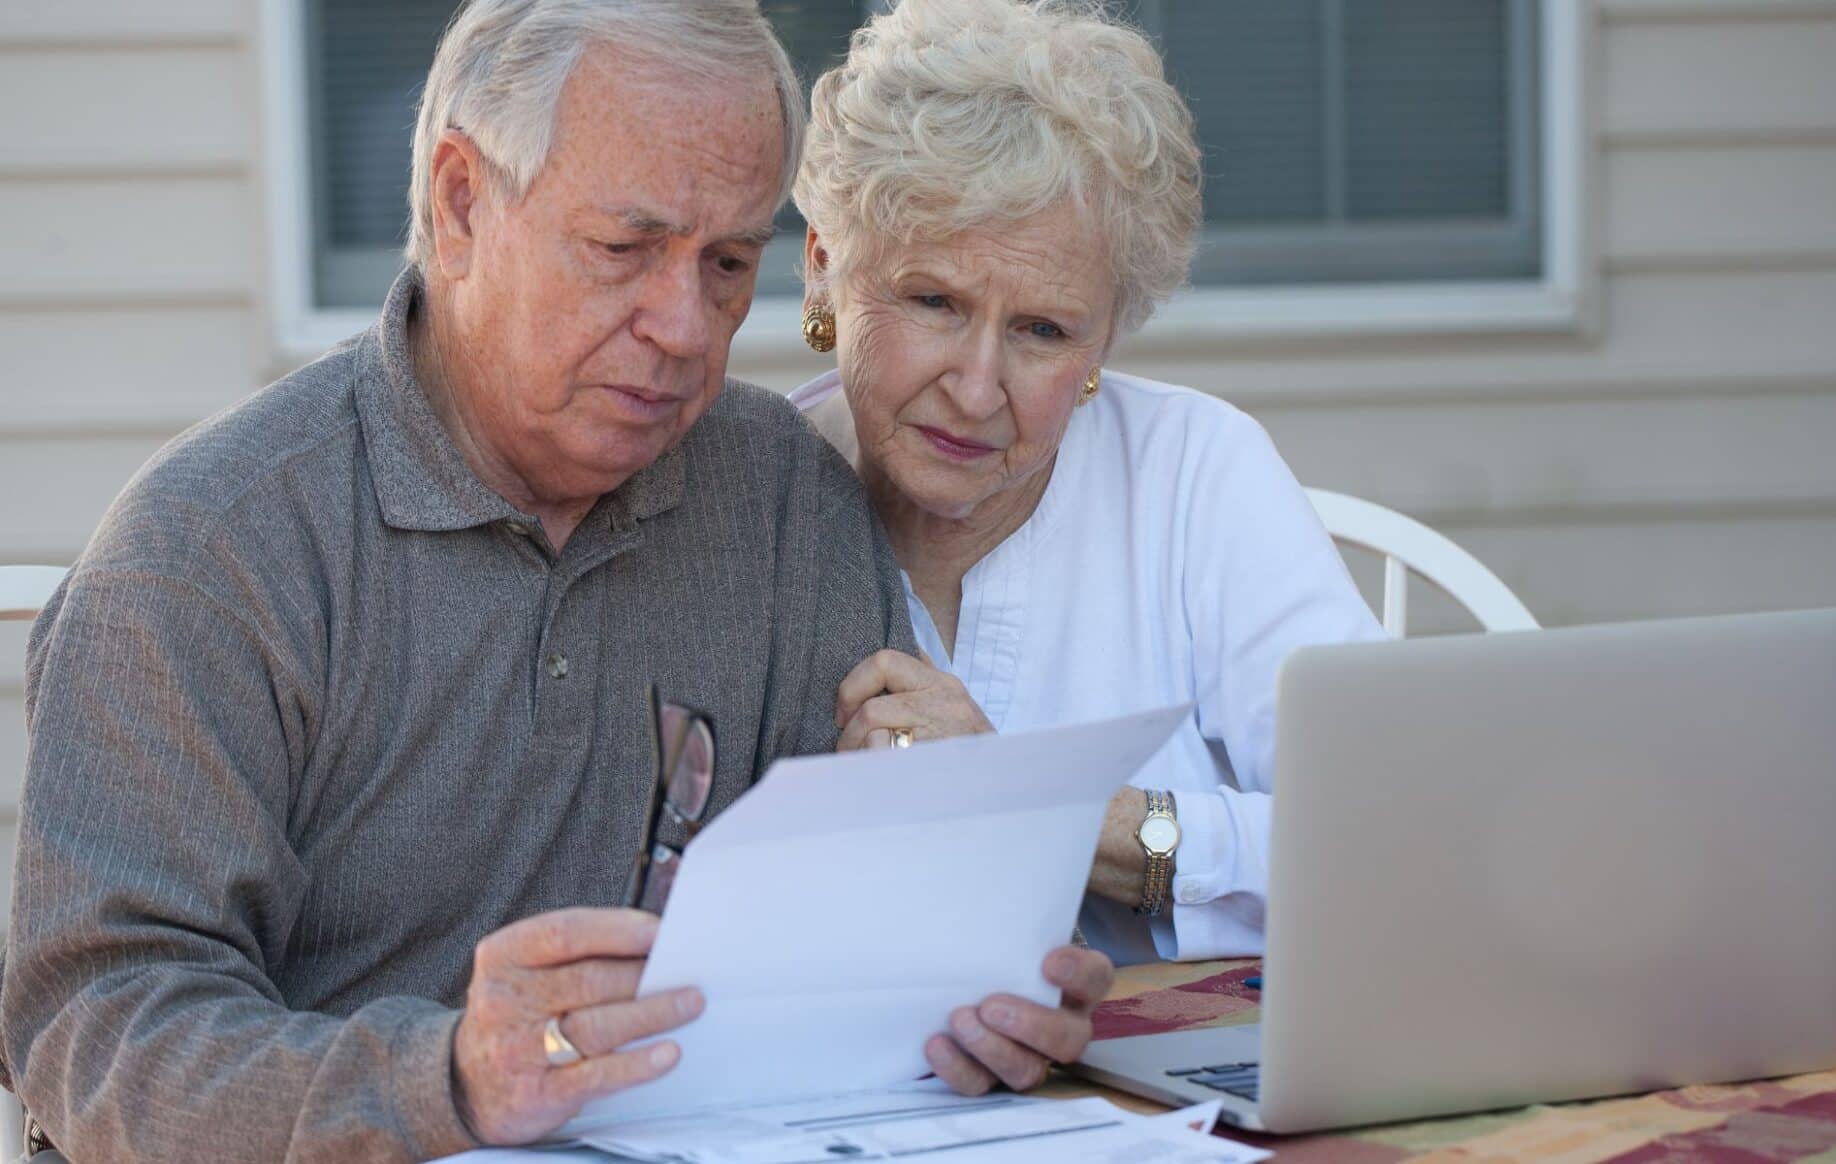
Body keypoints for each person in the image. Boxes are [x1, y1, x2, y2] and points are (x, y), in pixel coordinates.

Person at [0, 3, 1110, 1159]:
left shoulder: (781, 496)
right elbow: (95, 1032)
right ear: (463, 202)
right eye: (624, 250)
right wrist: (450, 1082)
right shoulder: (210, 552)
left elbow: (850, 946)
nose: (684, 326)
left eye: (728, 263)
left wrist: (973, 992)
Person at [790, 0, 1384, 967]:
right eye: (934, 301)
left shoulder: (1195, 473)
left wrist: (1034, 805)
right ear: (825, 272)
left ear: (1105, 341)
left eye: (1044, 330)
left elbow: (1390, 827)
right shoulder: (740, 509)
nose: (978, 388)